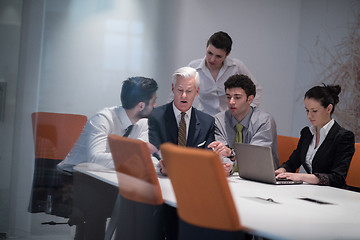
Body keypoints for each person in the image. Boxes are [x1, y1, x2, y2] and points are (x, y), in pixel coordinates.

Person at [57, 76, 158, 172]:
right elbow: (95, 160)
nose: (155, 105)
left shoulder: (143, 123)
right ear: (141, 106)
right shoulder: (102, 119)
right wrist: (138, 151)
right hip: (72, 176)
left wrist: (160, 166)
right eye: (153, 101)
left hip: (105, 175)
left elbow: (143, 158)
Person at [275, 85, 355, 188]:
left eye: (314, 111)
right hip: (311, 190)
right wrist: (280, 171)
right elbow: (292, 163)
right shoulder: (307, 133)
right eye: (307, 110)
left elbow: (337, 178)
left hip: (332, 194)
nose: (309, 116)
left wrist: (302, 177)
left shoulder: (343, 137)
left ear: (329, 108)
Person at [148, 66, 215, 175]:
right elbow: (151, 151)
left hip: (194, 180)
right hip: (162, 180)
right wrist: (160, 168)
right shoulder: (154, 116)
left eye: (189, 91)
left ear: (197, 91)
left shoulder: (207, 122)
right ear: (173, 88)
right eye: (180, 90)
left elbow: (208, 157)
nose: (183, 96)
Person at [209, 74, 279, 175]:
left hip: (261, 178)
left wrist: (231, 153)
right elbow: (220, 153)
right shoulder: (219, 120)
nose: (231, 102)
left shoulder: (264, 121)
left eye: (237, 97)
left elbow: (255, 158)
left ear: (250, 99)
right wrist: (228, 167)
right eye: (228, 97)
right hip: (232, 178)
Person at [188, 31, 263, 116]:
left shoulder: (236, 67)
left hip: (230, 119)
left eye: (218, 56)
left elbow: (256, 89)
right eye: (210, 53)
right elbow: (178, 92)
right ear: (206, 47)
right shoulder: (193, 68)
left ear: (227, 54)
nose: (212, 59)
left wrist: (248, 112)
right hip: (204, 119)